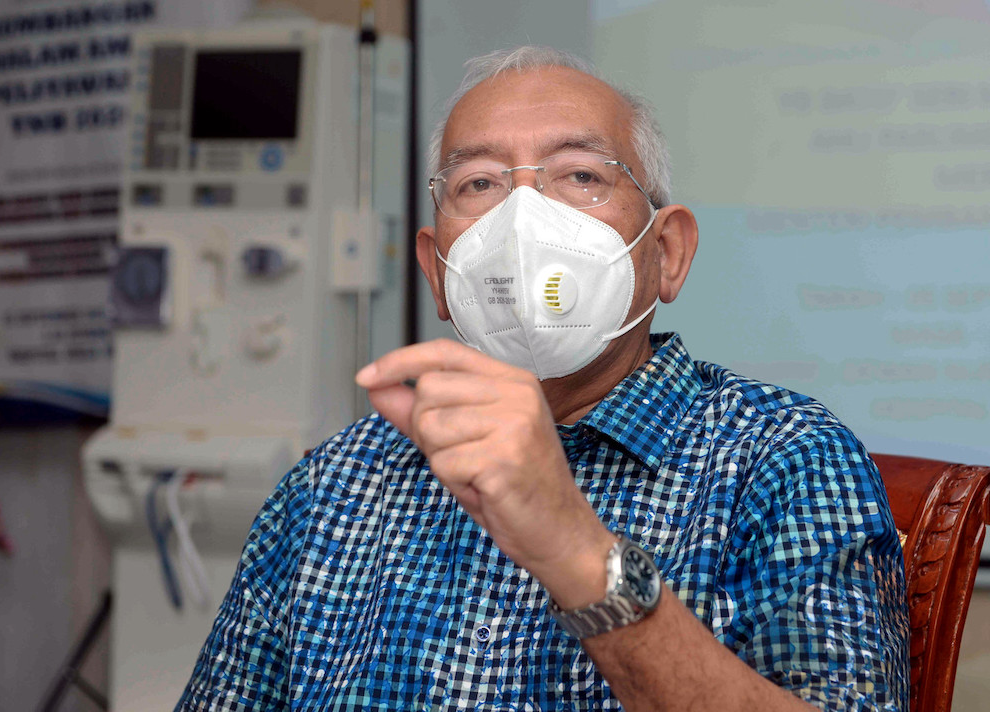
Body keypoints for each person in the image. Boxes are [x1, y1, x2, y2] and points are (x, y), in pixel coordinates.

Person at [176, 46, 908, 711]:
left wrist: (575, 549)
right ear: (435, 268)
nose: (522, 220)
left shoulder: (783, 460)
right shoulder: (333, 487)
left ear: (668, 252)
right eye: (479, 182)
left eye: (581, 175)